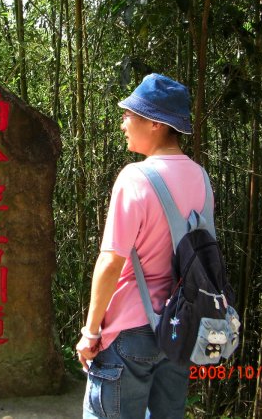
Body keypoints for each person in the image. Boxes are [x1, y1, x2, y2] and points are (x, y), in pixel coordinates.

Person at [75, 73, 213, 418]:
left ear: (155, 123)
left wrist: (90, 332)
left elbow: (111, 261)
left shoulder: (135, 177)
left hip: (130, 331)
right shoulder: (201, 177)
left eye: (130, 114)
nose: (123, 122)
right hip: (180, 327)